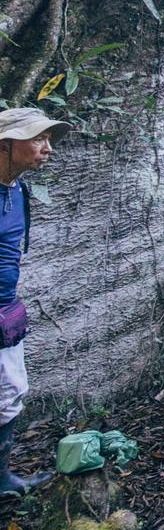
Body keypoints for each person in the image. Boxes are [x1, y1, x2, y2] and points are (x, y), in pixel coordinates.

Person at [0, 108, 66, 496]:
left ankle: (2, 479)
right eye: (38, 139)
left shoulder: (16, 189)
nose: (47, 149)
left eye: (49, 140)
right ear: (5, 145)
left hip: (5, 308)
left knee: (9, 394)